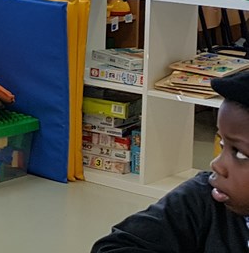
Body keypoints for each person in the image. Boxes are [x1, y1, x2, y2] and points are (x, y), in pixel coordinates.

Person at [93, 68, 249, 251]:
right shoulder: (201, 199)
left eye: (240, 154)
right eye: (222, 145)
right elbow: (114, 247)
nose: (217, 165)